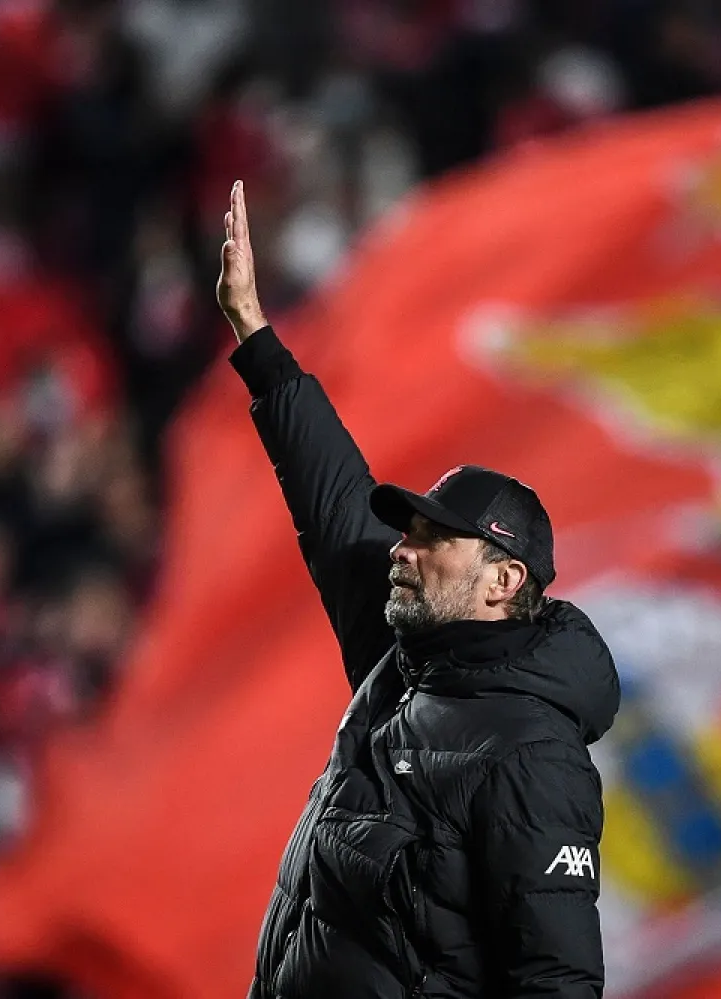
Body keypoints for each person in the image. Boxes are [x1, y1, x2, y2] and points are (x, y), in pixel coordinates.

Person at [216, 179, 620, 998]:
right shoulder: (409, 662)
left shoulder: (532, 751)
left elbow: (557, 980)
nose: (407, 547)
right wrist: (255, 335)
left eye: (436, 535)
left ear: (504, 580)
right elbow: (335, 507)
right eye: (411, 529)